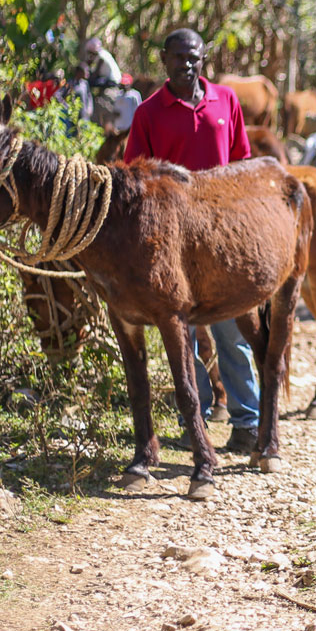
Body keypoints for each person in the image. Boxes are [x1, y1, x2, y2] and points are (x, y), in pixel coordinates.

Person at [124, 28, 263, 454]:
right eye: (179, 57)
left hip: (222, 237)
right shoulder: (149, 113)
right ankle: (196, 422)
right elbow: (135, 177)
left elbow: (242, 164)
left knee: (232, 333)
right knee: (182, 335)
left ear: (204, 59)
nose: (188, 64)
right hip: (173, 243)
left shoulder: (226, 101)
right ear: (163, 59)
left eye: (195, 57)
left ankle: (248, 422)